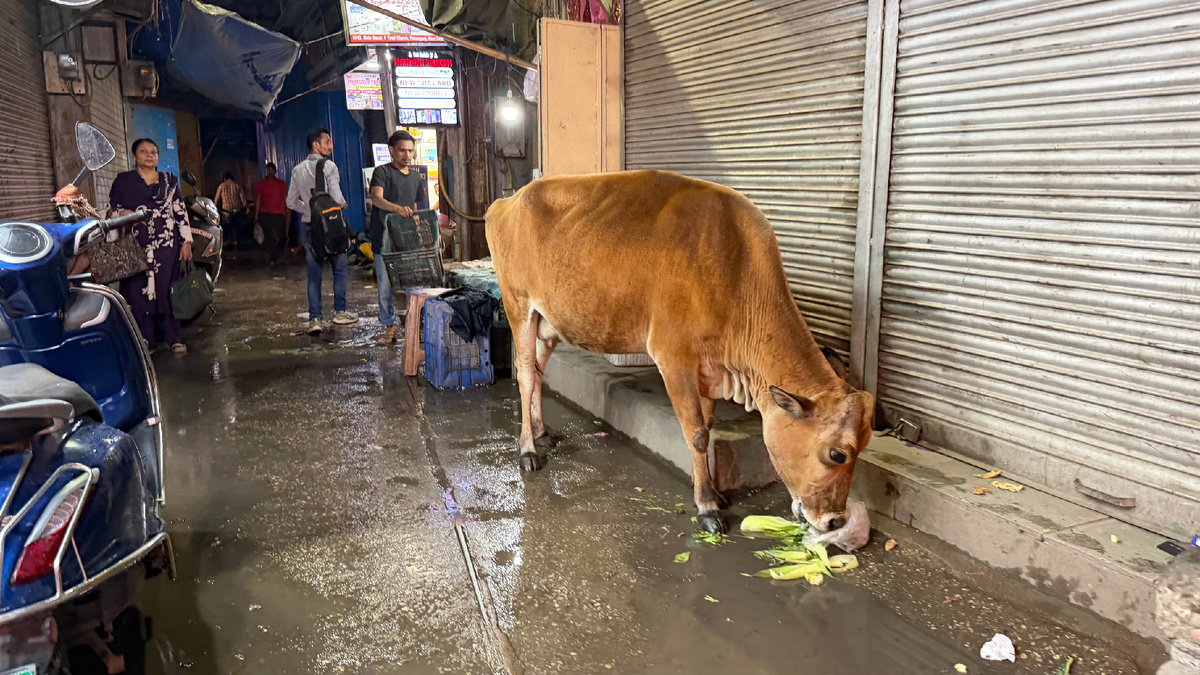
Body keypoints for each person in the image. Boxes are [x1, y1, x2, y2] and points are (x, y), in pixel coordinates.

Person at [108, 138, 193, 355]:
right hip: (135, 246)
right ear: (134, 157)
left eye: (153, 152)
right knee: (137, 291)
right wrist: (124, 214)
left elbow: (180, 211)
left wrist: (186, 241)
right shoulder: (123, 181)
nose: (149, 155)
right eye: (144, 152)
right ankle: (144, 340)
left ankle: (173, 338)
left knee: (167, 289)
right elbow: (111, 211)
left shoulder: (169, 180)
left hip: (166, 246)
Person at [286, 127, 358, 335]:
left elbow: (290, 202)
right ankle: (340, 312)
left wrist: (309, 210)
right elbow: (337, 198)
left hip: (310, 227)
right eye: (328, 142)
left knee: (314, 275)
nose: (331, 146)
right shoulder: (329, 167)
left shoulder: (297, 169)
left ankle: (315, 319)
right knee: (339, 271)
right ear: (316, 145)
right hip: (333, 226)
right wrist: (342, 205)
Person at [368, 130, 429, 345]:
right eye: (402, 150)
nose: (407, 155)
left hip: (407, 239)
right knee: (385, 286)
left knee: (413, 286)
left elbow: (414, 206)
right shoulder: (381, 172)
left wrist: (416, 226)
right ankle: (389, 326)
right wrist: (397, 209)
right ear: (391, 150)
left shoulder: (415, 177)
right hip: (383, 238)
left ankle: (414, 326)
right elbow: (376, 199)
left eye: (411, 151)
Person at [255, 162, 288, 265]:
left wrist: (287, 212)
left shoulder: (281, 184)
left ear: (275, 172)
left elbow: (286, 198)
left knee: (282, 236)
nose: (270, 172)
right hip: (265, 213)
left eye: (272, 170)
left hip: (279, 213)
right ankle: (272, 257)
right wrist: (256, 214)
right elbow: (258, 199)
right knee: (269, 237)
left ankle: (276, 254)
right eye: (268, 170)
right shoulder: (261, 184)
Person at [214, 172, 246, 246]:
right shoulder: (237, 185)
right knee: (237, 226)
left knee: (228, 226)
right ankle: (237, 241)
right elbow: (243, 198)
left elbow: (217, 199)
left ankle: (230, 240)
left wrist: (215, 207)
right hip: (237, 209)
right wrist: (244, 207)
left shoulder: (221, 186)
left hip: (226, 210)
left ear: (224, 178)